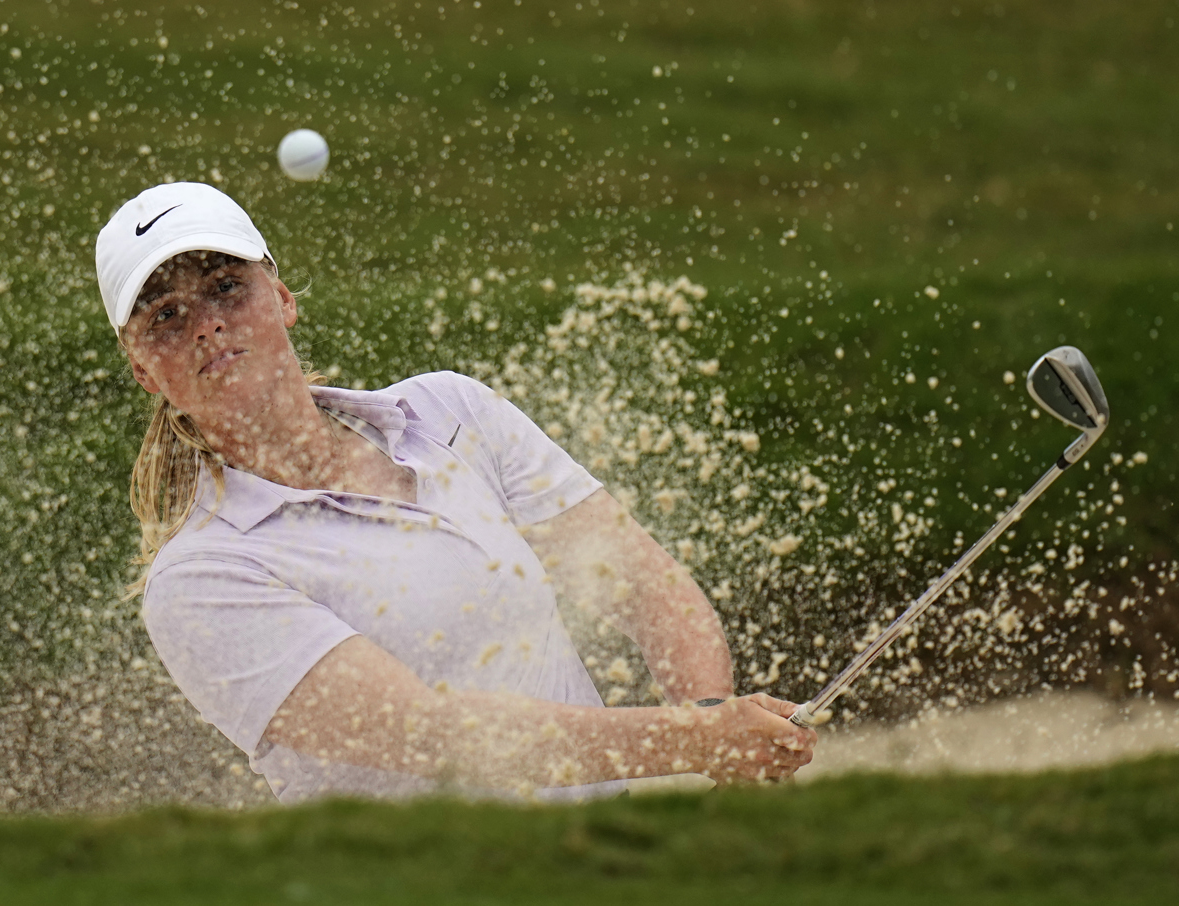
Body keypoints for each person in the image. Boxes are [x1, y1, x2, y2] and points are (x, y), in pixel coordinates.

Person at [94, 182, 817, 803]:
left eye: (226, 288)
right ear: (143, 373)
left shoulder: (450, 412)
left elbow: (639, 581)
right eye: (165, 316)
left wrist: (718, 725)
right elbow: (431, 733)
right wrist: (696, 740)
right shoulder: (200, 578)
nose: (208, 324)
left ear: (280, 299)